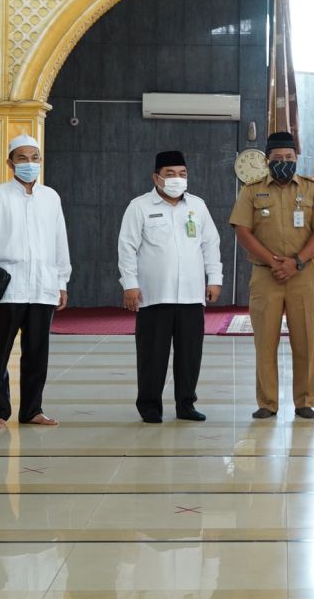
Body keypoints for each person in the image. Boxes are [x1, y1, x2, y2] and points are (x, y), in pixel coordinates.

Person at [0, 134, 71, 430]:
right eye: (22, 158)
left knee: (38, 352)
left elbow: (60, 241)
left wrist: (62, 281)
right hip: (8, 288)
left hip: (43, 287)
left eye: (34, 158)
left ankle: (33, 409)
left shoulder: (51, 197)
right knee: (0, 350)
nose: (29, 164)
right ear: (10, 162)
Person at [229, 132, 314, 420]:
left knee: (305, 339)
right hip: (266, 275)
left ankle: (304, 401)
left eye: (289, 158)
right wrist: (272, 261)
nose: (284, 163)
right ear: (267, 161)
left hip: (302, 274)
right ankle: (267, 402)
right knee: (265, 340)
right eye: (278, 159)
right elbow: (242, 230)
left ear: (296, 159)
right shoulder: (251, 191)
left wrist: (297, 262)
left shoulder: (313, 189)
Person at [118, 150, 223, 424]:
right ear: (156, 177)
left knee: (190, 355)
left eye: (182, 174)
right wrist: (130, 285)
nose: (177, 179)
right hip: (154, 295)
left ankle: (186, 405)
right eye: (170, 174)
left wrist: (215, 279)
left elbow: (210, 243)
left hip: (191, 294)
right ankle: (150, 407)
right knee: (153, 355)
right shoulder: (139, 206)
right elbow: (127, 248)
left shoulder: (197, 206)